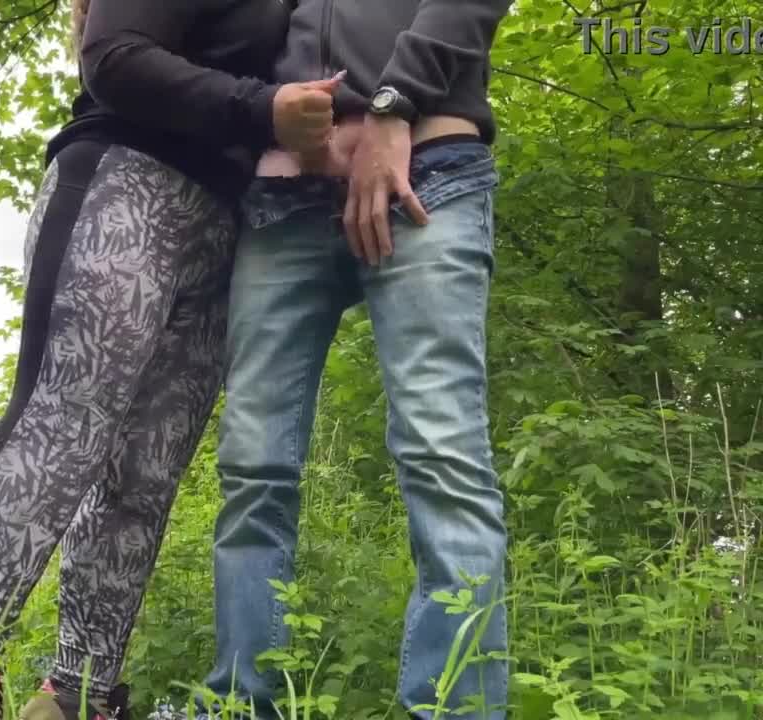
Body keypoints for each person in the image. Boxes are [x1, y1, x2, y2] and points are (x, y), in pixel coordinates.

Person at [0, 2, 346, 719]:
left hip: (226, 225)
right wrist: (263, 109)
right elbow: (115, 55)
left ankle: (81, 694)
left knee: (143, 479)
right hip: (124, 178)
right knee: (64, 427)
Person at [199, 0, 514, 718]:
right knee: (251, 465)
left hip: (428, 169)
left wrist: (394, 103)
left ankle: (454, 711)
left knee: (443, 453)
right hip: (281, 197)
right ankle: (240, 707)